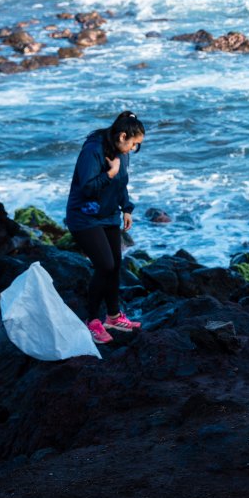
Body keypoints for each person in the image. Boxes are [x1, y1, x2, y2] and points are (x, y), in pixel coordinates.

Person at [65, 110, 145, 344]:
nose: (133, 149)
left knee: (116, 265)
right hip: (84, 217)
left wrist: (127, 208)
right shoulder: (92, 151)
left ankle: (113, 316)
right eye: (133, 144)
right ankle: (91, 321)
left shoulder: (121, 151)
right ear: (122, 136)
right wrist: (109, 173)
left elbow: (122, 182)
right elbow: (87, 188)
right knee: (105, 265)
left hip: (108, 214)